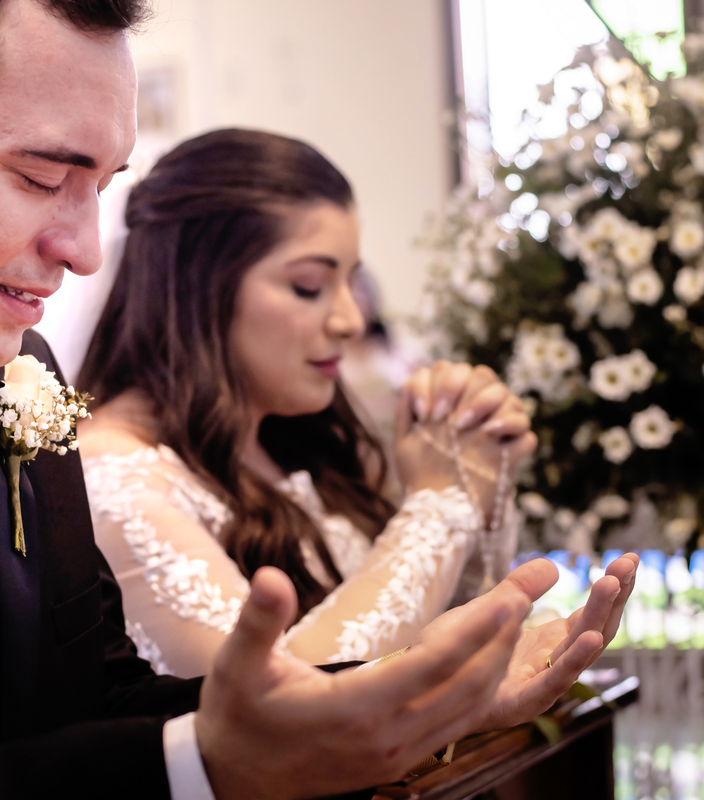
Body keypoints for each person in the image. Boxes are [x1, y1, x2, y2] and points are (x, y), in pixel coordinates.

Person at [0, 1, 639, 798]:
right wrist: (201, 773)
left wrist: (404, 698)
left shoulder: (21, 366)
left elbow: (93, 699)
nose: (85, 252)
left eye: (101, 188)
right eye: (42, 177)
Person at [78, 129, 537, 678]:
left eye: (352, 282)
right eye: (309, 286)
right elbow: (282, 703)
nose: (350, 320)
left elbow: (433, 636)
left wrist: (475, 470)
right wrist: (439, 503)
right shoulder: (114, 474)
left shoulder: (293, 438)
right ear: (200, 288)